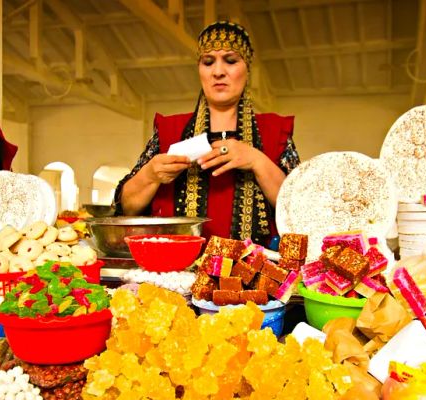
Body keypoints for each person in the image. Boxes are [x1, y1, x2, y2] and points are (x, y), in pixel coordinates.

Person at [113, 21, 300, 245]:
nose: (218, 72)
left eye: (230, 61)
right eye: (208, 62)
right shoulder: (168, 131)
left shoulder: (274, 132)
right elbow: (126, 207)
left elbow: (300, 211)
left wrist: (256, 160)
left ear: (247, 68)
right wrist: (150, 174)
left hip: (254, 274)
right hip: (176, 274)